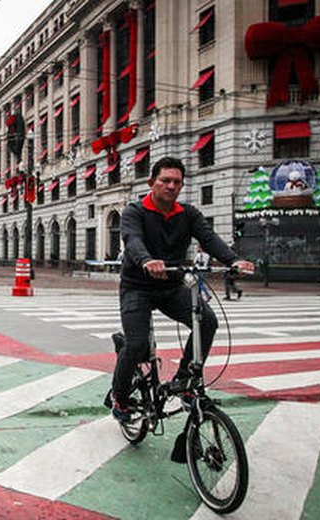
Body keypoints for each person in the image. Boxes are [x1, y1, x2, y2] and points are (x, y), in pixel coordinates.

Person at [106, 157, 254, 422]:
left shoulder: (188, 214)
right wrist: (146, 260)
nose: (171, 186)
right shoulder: (134, 211)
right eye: (165, 181)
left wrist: (233, 260)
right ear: (152, 183)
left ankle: (185, 380)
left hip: (172, 286)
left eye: (177, 182)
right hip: (137, 287)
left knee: (207, 321)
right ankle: (120, 396)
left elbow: (208, 239)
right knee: (137, 344)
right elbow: (133, 239)